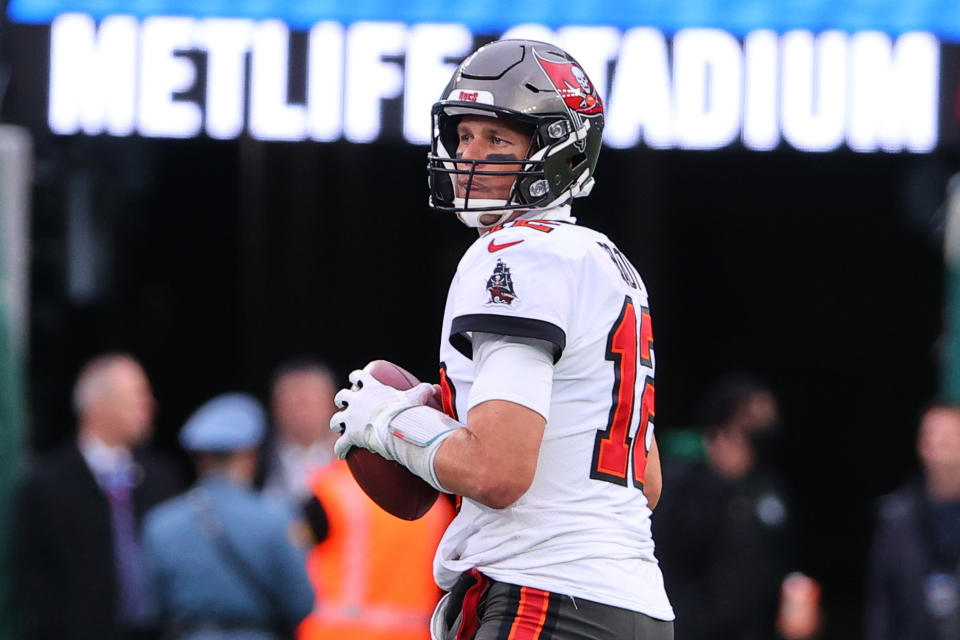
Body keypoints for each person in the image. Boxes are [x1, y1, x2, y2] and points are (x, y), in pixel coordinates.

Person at [330, 39, 674, 640]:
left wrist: (385, 423)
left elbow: (497, 472)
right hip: (630, 605)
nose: (470, 154)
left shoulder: (516, 252)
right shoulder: (607, 261)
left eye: (498, 139)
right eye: (464, 136)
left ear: (558, 149)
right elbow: (645, 482)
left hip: (549, 600)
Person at [12, 353, 182, 640]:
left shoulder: (161, 478)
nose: (149, 407)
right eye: (136, 398)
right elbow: (32, 579)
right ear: (100, 406)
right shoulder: (46, 485)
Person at [653, 373, 819, 640]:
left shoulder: (768, 490)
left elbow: (785, 559)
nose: (741, 448)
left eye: (750, 441)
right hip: (691, 629)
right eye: (733, 435)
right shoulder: (682, 484)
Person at [142, 393, 314, 640]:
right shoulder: (276, 518)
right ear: (249, 454)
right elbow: (301, 603)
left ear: (199, 458)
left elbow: (150, 608)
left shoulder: (160, 523)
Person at [865, 401, 960, 640]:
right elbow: (882, 603)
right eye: (934, 434)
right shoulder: (896, 516)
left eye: (952, 434)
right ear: (921, 445)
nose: (943, 442)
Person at [260, 360, 339, 509]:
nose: (301, 412)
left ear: (332, 404)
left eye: (307, 401)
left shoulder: (353, 460)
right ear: (275, 407)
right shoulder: (257, 460)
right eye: (292, 401)